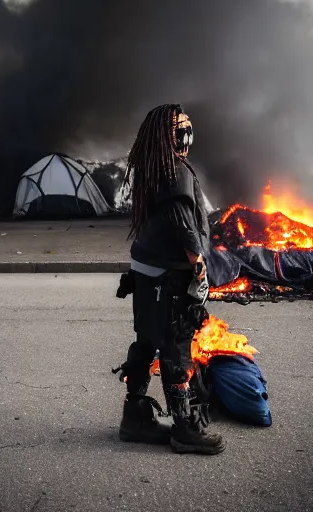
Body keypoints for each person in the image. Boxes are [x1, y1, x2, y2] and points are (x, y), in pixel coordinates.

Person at [115, 103, 226, 455]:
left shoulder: (154, 167)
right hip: (169, 276)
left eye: (190, 130)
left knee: (146, 341)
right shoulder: (174, 171)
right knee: (176, 349)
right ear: (166, 135)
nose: (187, 137)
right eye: (181, 131)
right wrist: (199, 267)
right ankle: (185, 428)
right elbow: (183, 222)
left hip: (146, 272)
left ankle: (134, 417)